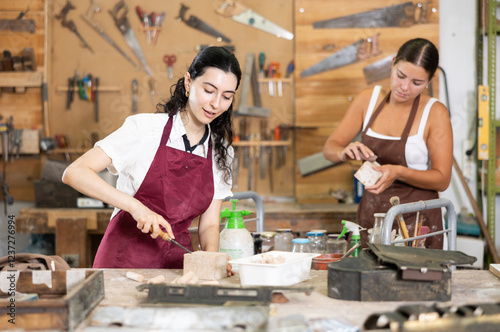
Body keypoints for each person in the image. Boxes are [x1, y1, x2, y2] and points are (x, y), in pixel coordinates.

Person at [62, 46, 241, 271]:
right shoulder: (145, 129)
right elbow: (75, 172)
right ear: (188, 82)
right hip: (122, 262)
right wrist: (136, 208)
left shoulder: (221, 151)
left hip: (178, 265)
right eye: (209, 90)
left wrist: (211, 259)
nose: (216, 104)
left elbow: (210, 224)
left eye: (226, 97)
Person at [323, 38, 452, 249]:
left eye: (416, 83)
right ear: (393, 63)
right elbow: (330, 147)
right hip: (373, 216)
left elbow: (442, 179)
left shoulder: (435, 113)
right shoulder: (368, 99)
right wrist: (343, 153)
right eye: (400, 76)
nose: (404, 87)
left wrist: (398, 172)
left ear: (429, 81)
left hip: (418, 225)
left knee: (415, 280)